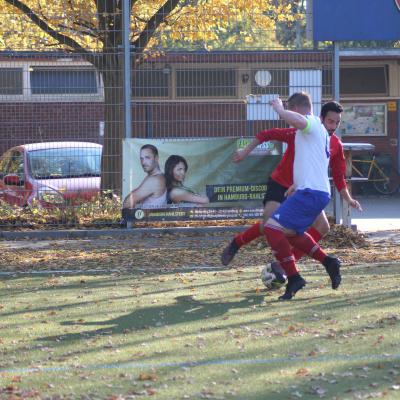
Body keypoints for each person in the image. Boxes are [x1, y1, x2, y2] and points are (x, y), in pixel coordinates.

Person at [221, 101, 361, 284]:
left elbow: (338, 175)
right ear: (320, 118)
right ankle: (237, 242)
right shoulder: (300, 132)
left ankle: (286, 266)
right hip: (280, 185)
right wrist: (245, 151)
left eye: (337, 122)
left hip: (303, 191)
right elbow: (266, 134)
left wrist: (348, 198)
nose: (333, 126)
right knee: (269, 224)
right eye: (330, 121)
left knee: (322, 227)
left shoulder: (334, 143)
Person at [262, 92, 341, 300]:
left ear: (295, 108)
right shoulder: (319, 133)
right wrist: (296, 184)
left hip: (311, 193)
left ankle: (294, 277)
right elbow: (315, 163)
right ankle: (328, 262)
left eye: (290, 110)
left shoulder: (312, 123)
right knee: (291, 234)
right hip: (313, 191)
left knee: (271, 228)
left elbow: (296, 119)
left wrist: (279, 109)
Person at [123, 144, 167, 209]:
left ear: (156, 158)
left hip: (150, 218)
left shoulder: (154, 180)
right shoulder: (157, 176)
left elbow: (127, 203)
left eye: (147, 158)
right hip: (149, 217)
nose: (143, 162)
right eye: (141, 158)